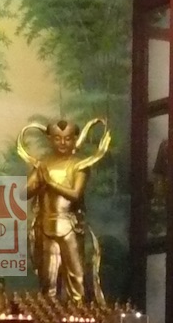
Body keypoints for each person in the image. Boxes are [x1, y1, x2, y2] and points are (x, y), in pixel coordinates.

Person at [17, 119, 110, 303]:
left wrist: (49, 182)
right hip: (46, 226)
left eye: (67, 139)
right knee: (47, 278)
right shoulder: (43, 164)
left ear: (75, 139)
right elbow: (23, 193)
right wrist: (36, 182)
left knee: (76, 276)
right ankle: (49, 313)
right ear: (50, 139)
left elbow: (75, 194)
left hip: (70, 226)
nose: (62, 143)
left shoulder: (79, 165)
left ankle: (78, 312)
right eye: (57, 138)